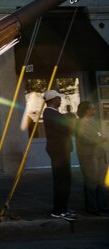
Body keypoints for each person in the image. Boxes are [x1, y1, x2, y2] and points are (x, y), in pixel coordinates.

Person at [42, 89, 78, 221]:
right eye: (58, 98)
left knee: (64, 180)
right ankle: (59, 210)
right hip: (59, 151)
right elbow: (66, 127)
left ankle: (63, 208)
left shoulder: (53, 113)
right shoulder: (50, 113)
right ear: (52, 100)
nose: (60, 100)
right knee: (61, 181)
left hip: (61, 150)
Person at [75, 101, 108, 215]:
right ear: (87, 110)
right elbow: (85, 139)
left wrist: (101, 137)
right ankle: (92, 208)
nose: (94, 111)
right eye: (92, 109)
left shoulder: (91, 122)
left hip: (98, 154)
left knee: (101, 182)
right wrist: (101, 139)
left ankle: (103, 207)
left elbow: (97, 135)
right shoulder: (80, 124)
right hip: (89, 156)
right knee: (91, 182)